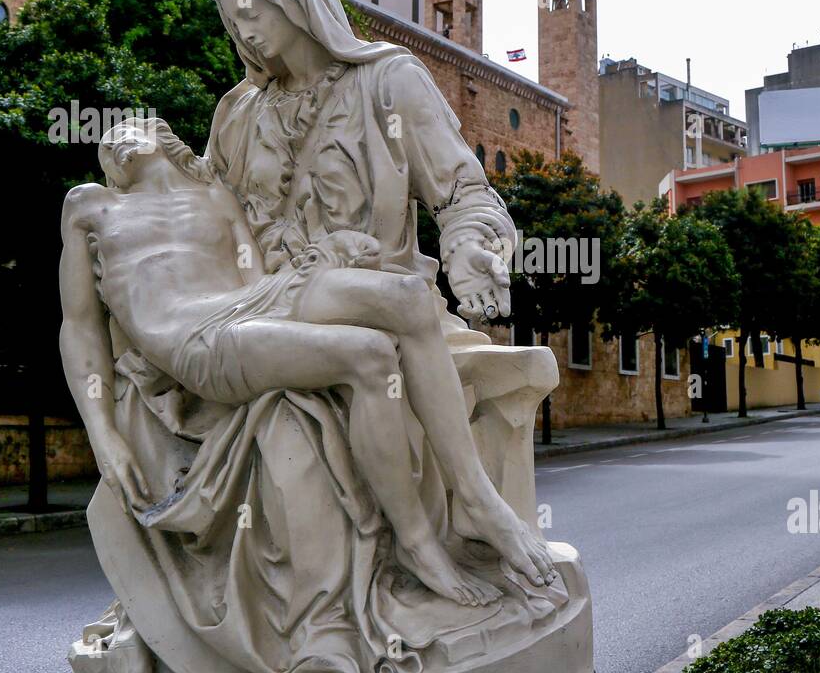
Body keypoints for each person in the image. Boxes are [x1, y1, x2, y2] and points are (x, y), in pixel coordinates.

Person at [60, 118, 554, 606]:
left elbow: (257, 279)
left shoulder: (215, 198)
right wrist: (103, 435)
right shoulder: (91, 204)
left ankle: (473, 497)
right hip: (200, 336)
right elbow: (79, 325)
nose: (116, 140)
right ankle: (417, 544)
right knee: (369, 355)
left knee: (407, 296)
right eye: (107, 141)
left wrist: (330, 254)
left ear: (166, 141)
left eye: (129, 130)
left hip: (253, 301)